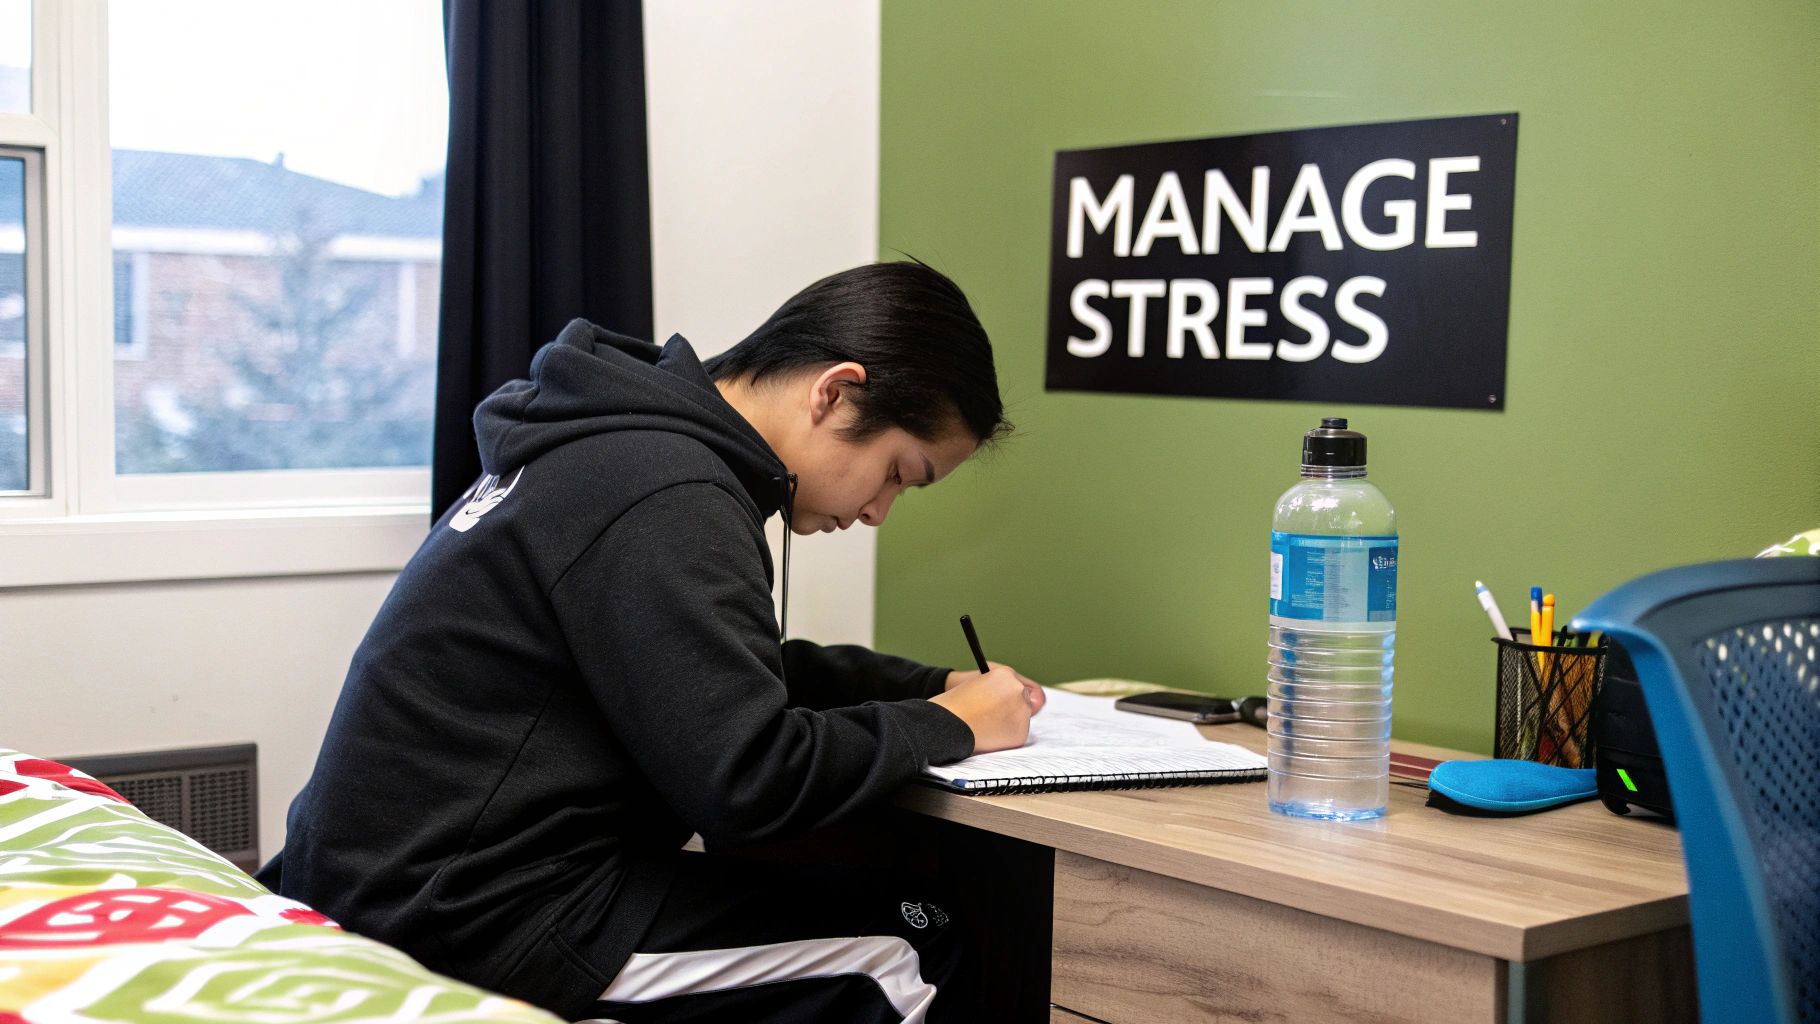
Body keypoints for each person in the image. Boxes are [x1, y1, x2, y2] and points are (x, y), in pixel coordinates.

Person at [258, 261, 1044, 1023]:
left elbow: (714, 675)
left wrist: (928, 685)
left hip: (393, 881)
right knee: (915, 945)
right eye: (899, 473)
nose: (880, 511)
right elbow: (748, 782)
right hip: (466, 917)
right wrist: (955, 724)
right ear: (835, 393)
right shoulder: (670, 489)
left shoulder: (623, 446)